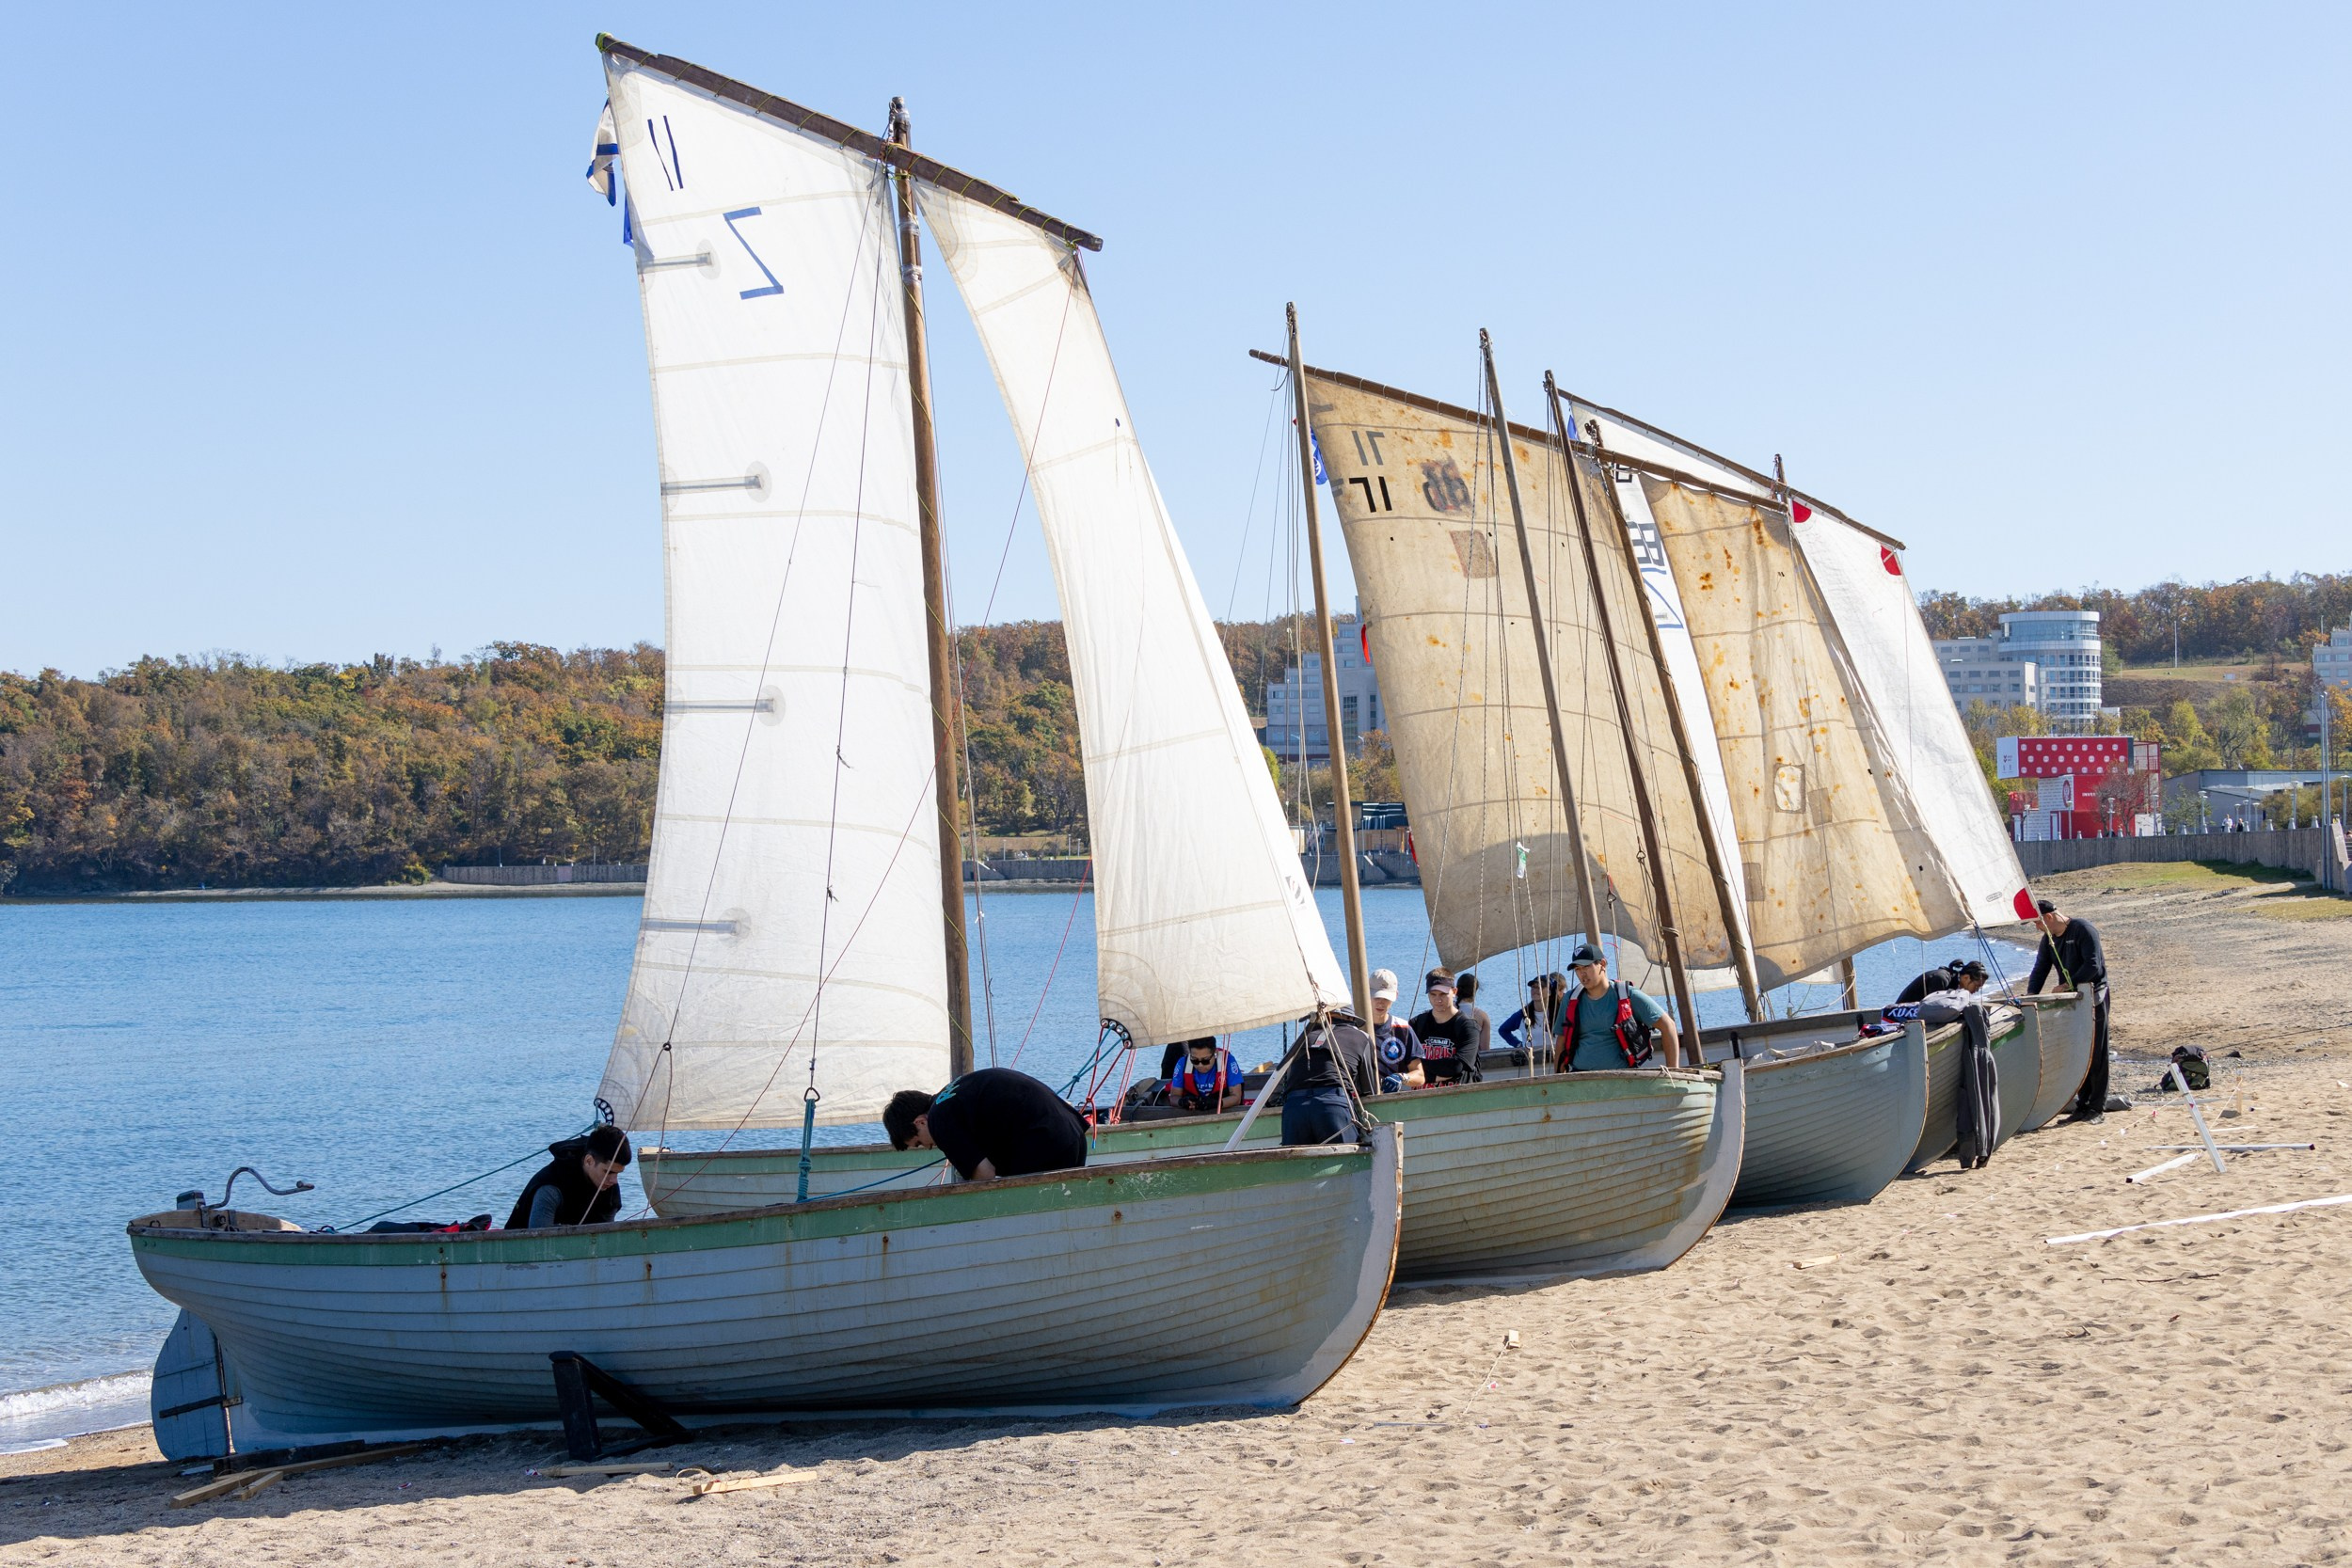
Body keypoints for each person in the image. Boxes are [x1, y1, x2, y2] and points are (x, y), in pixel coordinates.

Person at [882, 1067, 1089, 1180]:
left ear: (919, 1122)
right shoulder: (950, 1094)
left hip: (1048, 1142)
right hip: (1072, 1133)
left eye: (919, 1143)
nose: (928, 1147)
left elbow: (984, 1174)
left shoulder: (938, 1120)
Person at [2026, 897, 2111, 1123]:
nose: (2037, 928)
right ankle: (2082, 1106)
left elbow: (2093, 965)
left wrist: (2066, 984)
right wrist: (2029, 996)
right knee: (2079, 1050)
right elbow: (2040, 969)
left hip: (2094, 994)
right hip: (2073, 999)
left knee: (2097, 1051)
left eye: (2037, 923)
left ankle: (2097, 1108)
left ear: (2049, 917)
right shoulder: (2049, 940)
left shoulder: (2083, 929)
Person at [1560, 943, 1682, 1071]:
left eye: (1586, 966)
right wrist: (1559, 1081)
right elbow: (1562, 1040)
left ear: (1602, 964)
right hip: (1580, 1079)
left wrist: (1673, 1072)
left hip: (1622, 1079)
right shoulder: (1570, 999)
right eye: (1577, 969)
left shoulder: (1626, 995)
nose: (1582, 974)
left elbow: (1668, 1026)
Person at [1279, 1008, 1379, 1146]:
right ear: (1350, 1018)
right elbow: (1368, 1089)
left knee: (1297, 1165)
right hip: (1332, 1105)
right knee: (1345, 1162)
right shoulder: (1361, 1037)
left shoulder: (1303, 1038)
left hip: (1294, 1107)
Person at [505, 1125, 632, 1230]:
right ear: (589, 1161)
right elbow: (539, 1236)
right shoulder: (551, 1187)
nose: (614, 1181)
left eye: (617, 1173)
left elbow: (605, 1234)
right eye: (608, 1172)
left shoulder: (608, 1186)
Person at [1408, 968, 1481, 1085]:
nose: (1438, 999)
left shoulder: (1468, 1027)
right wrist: (1435, 1076)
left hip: (1456, 1097)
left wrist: (1419, 1071)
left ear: (1454, 992)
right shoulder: (1416, 1024)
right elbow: (1403, 1062)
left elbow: (1457, 1066)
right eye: (1433, 994)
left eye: (1443, 994)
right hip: (1421, 1098)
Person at [1365, 969, 1424, 1090]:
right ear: (1367, 994)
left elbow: (1420, 1076)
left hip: (1395, 1099)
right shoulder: (1355, 1027)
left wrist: (1402, 1078)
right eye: (1377, 997)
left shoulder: (1403, 1028)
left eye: (1386, 998)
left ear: (1395, 996)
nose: (1381, 1003)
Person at [1166, 1036, 1247, 1114]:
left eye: (1205, 1061)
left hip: (1223, 1112)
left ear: (1215, 1053)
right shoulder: (1182, 1063)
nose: (1200, 1065)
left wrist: (1215, 1104)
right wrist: (1182, 1102)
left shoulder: (1228, 1061)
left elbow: (1236, 1098)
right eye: (1195, 1060)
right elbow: (1174, 1097)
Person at [1496, 975, 1556, 1057]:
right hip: (1530, 1060)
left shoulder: (1558, 1012)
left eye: (1540, 987)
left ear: (1549, 992)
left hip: (1554, 1059)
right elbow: (1503, 1030)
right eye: (1533, 987)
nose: (1535, 990)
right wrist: (1518, 1045)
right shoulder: (1523, 1014)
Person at [1894, 958, 1990, 1006]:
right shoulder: (1941, 979)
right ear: (1966, 978)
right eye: (1977, 986)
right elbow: (1936, 1007)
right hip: (1899, 1015)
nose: (1976, 990)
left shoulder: (1953, 982)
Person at [1454, 972, 1495, 1061]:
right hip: (1470, 1062)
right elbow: (1484, 1049)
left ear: (1456, 989)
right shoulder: (1481, 1016)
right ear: (1475, 991)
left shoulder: (1446, 1010)